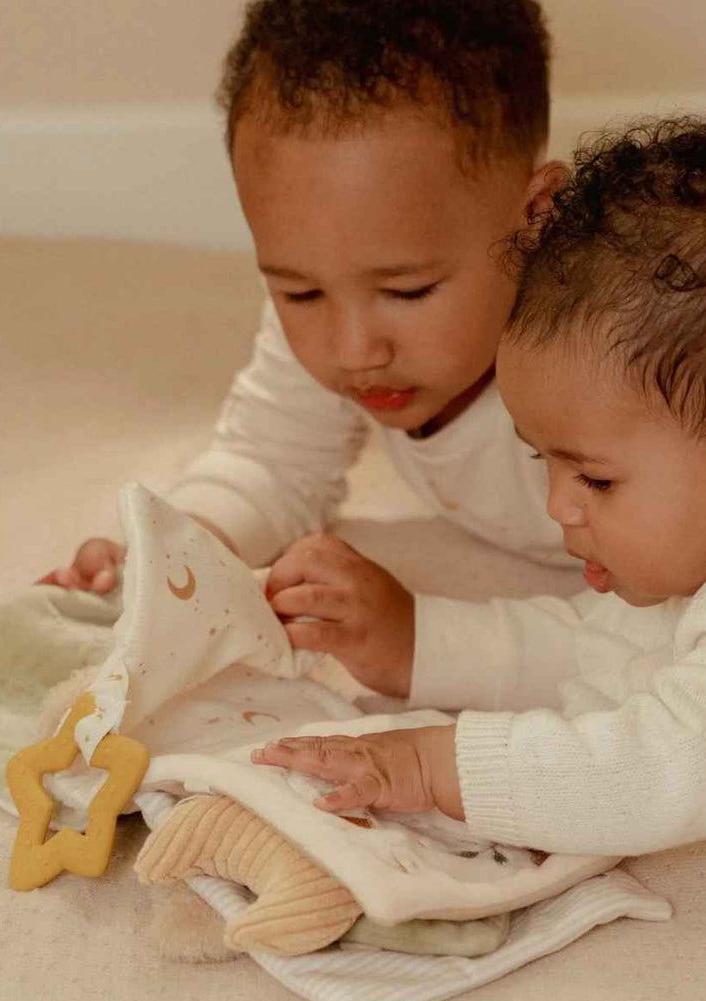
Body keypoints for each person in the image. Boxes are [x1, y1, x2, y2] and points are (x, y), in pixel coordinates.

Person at [253, 118, 706, 873]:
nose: (559, 506)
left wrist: (438, 769)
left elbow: (672, 760)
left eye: (595, 478)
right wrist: (421, 644)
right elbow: (608, 647)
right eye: (545, 461)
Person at [40, 0, 580, 697]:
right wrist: (176, 551)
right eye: (299, 293)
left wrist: (426, 640)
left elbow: (688, 631)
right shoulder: (345, 300)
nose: (353, 349)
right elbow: (273, 458)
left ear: (537, 218)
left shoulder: (628, 348)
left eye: (409, 291)